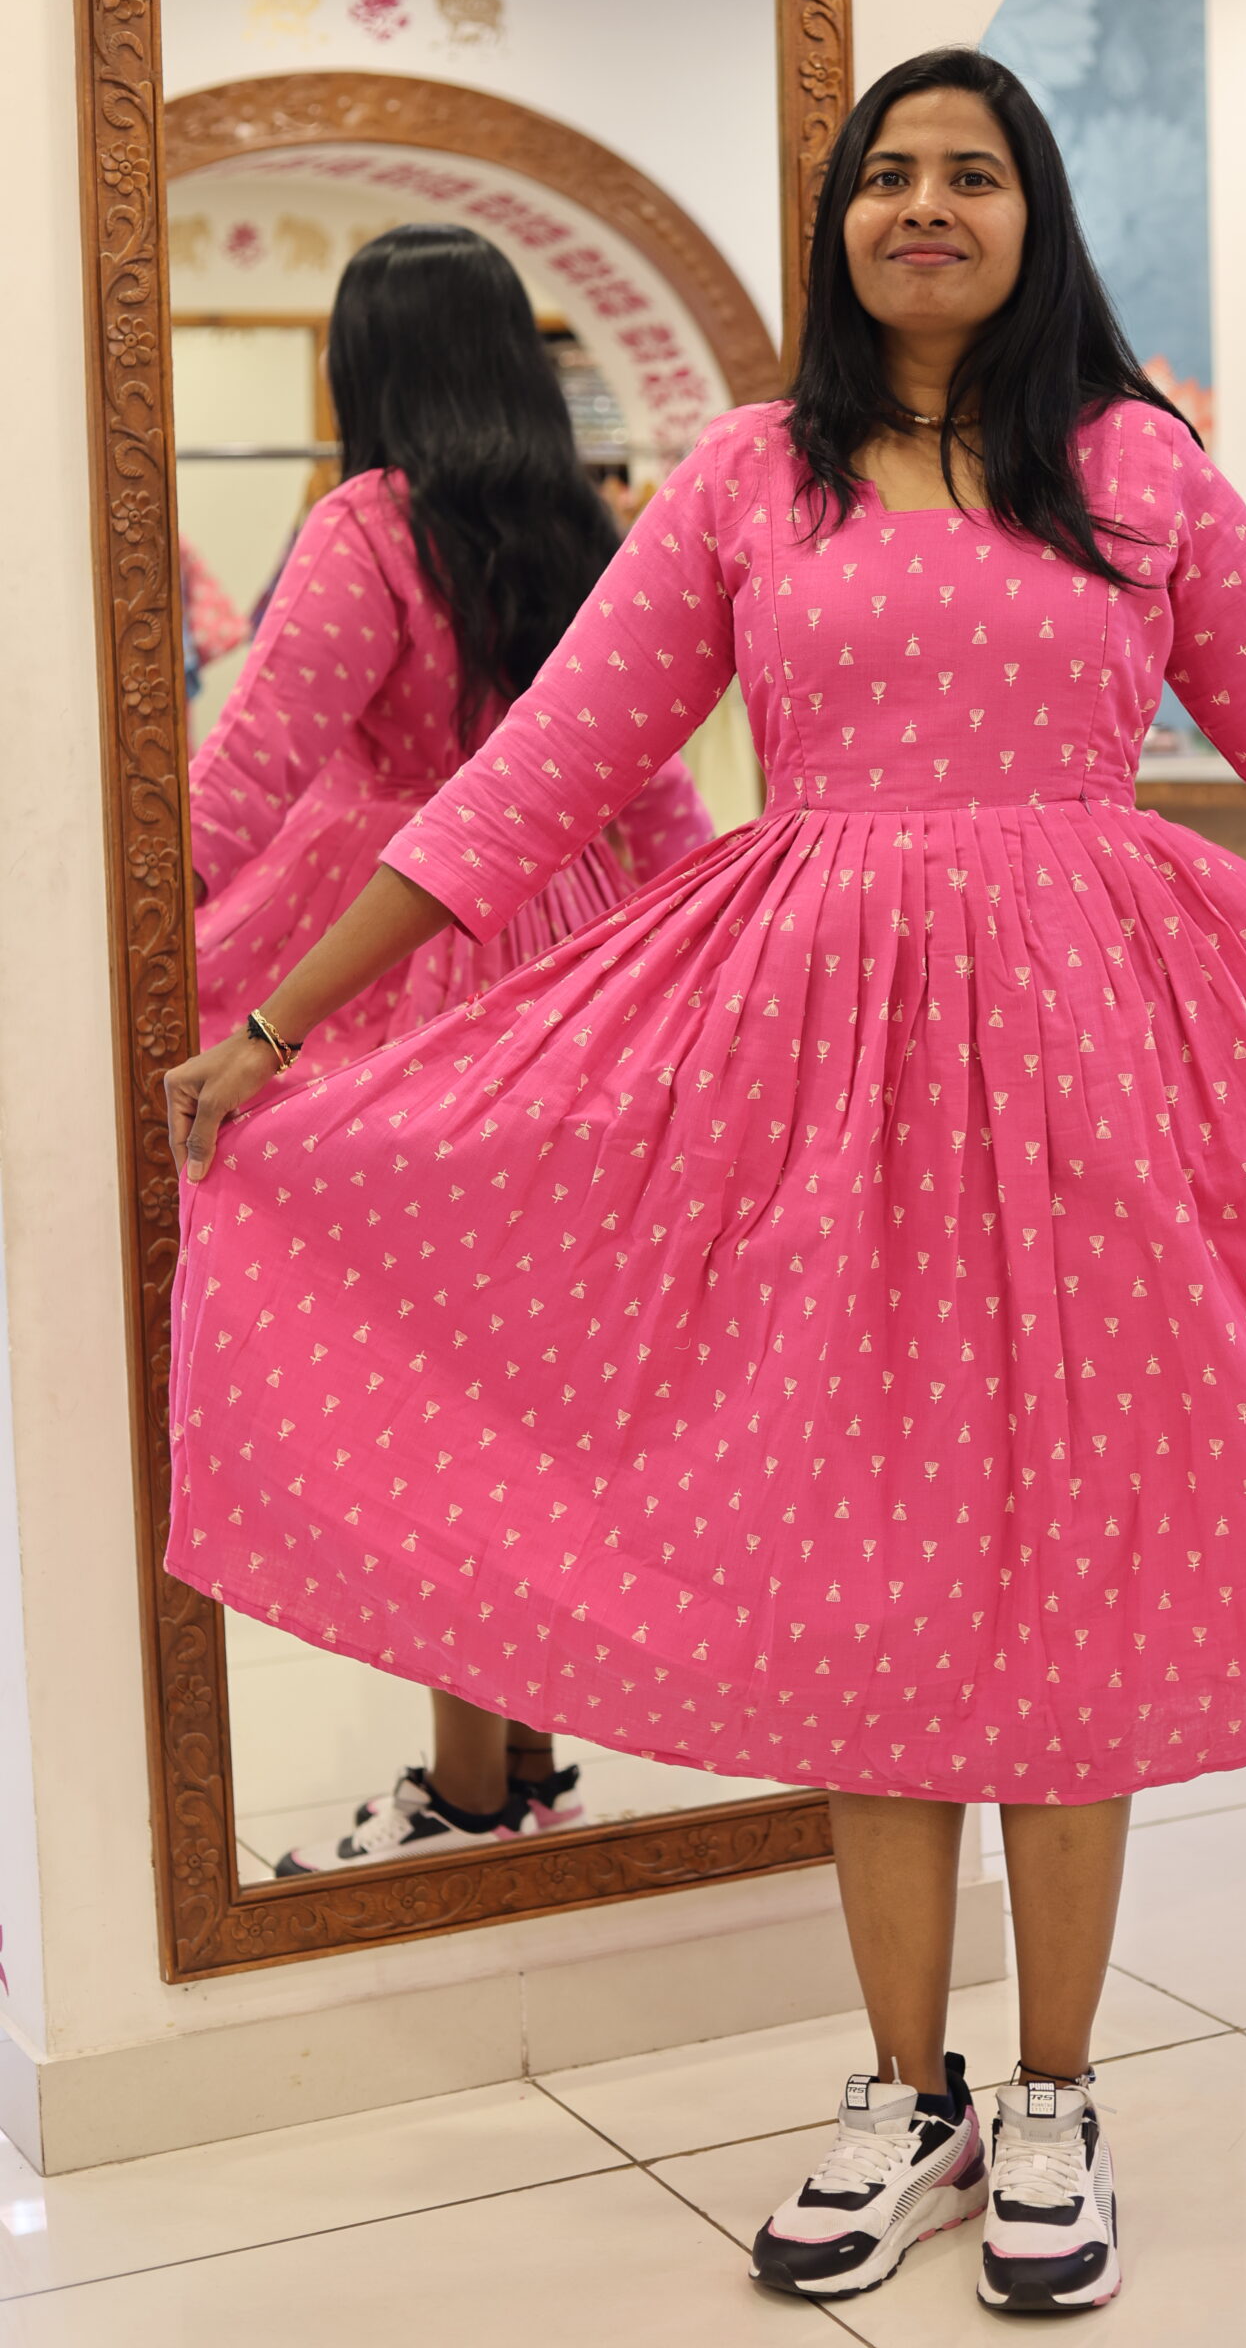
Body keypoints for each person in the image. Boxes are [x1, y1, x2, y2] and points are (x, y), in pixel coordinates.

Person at [162, 53, 1246, 2317]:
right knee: (868, 1586)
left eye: (972, 172)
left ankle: (1054, 2088)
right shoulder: (746, 478)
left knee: (1070, 1588)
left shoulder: (1138, 469)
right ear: (843, 224)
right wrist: (281, 1028)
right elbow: (533, 780)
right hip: (822, 1095)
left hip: (1101, 1093)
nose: (925, 206)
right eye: (888, 174)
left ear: (1033, 215)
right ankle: (905, 2089)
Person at [188, 223, 715, 1874]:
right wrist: (714, 960)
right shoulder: (585, 528)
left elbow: (258, 762)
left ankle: (472, 1787)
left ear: (369, 363)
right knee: (532, 1372)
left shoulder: (369, 527)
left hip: (387, 938)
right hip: (566, 948)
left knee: (423, 1387)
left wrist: (126, 916)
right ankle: (527, 1760)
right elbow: (653, 790)